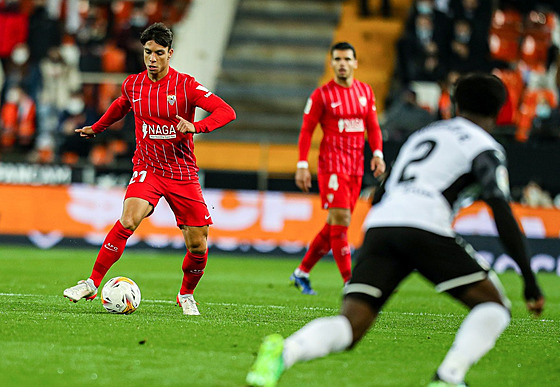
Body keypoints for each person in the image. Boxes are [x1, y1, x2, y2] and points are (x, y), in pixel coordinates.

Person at [246, 73, 545, 387]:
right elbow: (500, 206)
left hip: (381, 226)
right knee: (494, 306)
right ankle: (448, 377)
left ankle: (286, 352)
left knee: (351, 324)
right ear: (500, 111)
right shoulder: (486, 147)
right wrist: (529, 279)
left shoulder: (424, 134)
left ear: (455, 104)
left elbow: (380, 192)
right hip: (425, 224)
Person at [63, 22, 236, 316]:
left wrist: (196, 126)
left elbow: (226, 111)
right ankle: (91, 282)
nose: (151, 58)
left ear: (170, 53)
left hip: (182, 172)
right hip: (148, 167)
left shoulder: (187, 86)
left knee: (197, 244)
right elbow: (122, 104)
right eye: (147, 52)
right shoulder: (134, 83)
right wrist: (97, 127)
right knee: (128, 219)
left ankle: (186, 294)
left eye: (158, 53)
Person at [290, 42, 385, 295]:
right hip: (332, 167)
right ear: (331, 63)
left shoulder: (365, 91)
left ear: (355, 63)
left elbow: (373, 126)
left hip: (356, 167)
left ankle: (301, 272)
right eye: (337, 59)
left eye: (347, 59)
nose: (342, 64)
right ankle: (349, 281)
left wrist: (377, 153)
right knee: (341, 222)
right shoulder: (321, 95)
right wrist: (302, 165)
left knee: (335, 224)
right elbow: (306, 130)